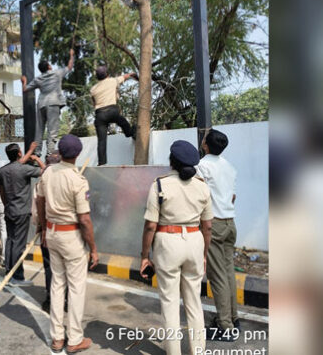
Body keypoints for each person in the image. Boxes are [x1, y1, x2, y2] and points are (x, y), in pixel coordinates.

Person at [139, 140, 213, 355]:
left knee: (170, 304)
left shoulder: (159, 185)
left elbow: (150, 225)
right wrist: (204, 254)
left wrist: (145, 255)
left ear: (171, 161)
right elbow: (207, 226)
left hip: (167, 242)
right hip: (194, 241)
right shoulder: (202, 186)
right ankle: (198, 351)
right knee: (194, 303)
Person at [36, 134, 98, 353]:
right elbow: (85, 219)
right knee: (76, 288)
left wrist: (43, 229)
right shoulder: (78, 180)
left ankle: (57, 338)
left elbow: (40, 202)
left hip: (52, 233)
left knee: (57, 285)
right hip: (71, 237)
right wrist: (93, 248)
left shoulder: (47, 173)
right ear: (78, 154)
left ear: (60, 153)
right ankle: (74, 339)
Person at [195, 129, 240, 338]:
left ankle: (225, 326)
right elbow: (232, 197)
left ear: (206, 145)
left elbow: (198, 195)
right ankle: (233, 318)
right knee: (229, 272)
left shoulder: (202, 166)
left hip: (215, 225)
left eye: (205, 138)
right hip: (231, 224)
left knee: (217, 276)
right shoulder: (229, 166)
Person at [0, 142, 46, 286]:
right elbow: (46, 172)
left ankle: (9, 272)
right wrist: (37, 159)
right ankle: (17, 277)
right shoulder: (25, 169)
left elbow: (2, 193)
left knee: (10, 242)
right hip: (21, 211)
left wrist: (7, 205)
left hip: (9, 209)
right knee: (19, 245)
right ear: (19, 153)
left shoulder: (2, 171)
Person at [21, 49, 75, 157]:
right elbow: (69, 67)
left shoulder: (38, 78)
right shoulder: (57, 73)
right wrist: (72, 55)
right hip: (53, 103)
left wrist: (24, 82)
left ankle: (36, 153)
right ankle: (50, 154)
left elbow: (25, 89)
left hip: (41, 104)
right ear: (49, 66)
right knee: (52, 130)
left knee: (39, 130)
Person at [30, 152, 63, 312]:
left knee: (50, 267)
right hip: (67, 231)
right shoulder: (69, 177)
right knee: (66, 267)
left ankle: (51, 300)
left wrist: (39, 226)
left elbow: (37, 208)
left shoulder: (41, 182)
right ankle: (67, 300)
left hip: (48, 230)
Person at [89, 65, 137, 165]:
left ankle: (101, 163)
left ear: (97, 77)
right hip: (112, 110)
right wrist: (133, 74)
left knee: (101, 141)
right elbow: (125, 76)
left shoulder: (93, 89)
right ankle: (130, 133)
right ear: (107, 74)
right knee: (122, 121)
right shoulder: (112, 81)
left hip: (100, 114)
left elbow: (93, 104)